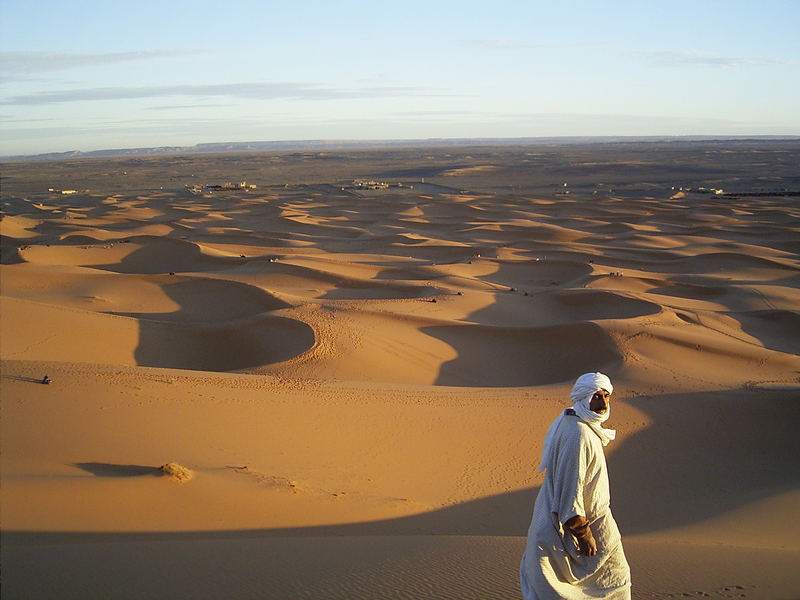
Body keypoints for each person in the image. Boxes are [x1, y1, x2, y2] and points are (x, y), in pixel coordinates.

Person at [520, 372, 631, 599]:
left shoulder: (574, 423)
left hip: (573, 521)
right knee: (614, 583)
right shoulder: (578, 433)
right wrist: (583, 532)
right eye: (595, 396)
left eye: (606, 396)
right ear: (582, 398)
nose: (602, 402)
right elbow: (572, 486)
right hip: (576, 526)